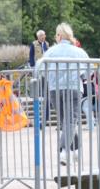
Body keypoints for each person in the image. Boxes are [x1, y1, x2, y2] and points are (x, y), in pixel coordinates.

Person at [35, 23, 90, 164]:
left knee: (66, 122)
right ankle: (67, 150)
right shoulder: (79, 52)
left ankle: (71, 150)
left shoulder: (50, 52)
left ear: (59, 36)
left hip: (55, 89)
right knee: (70, 122)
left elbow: (40, 70)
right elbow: (88, 72)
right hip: (73, 88)